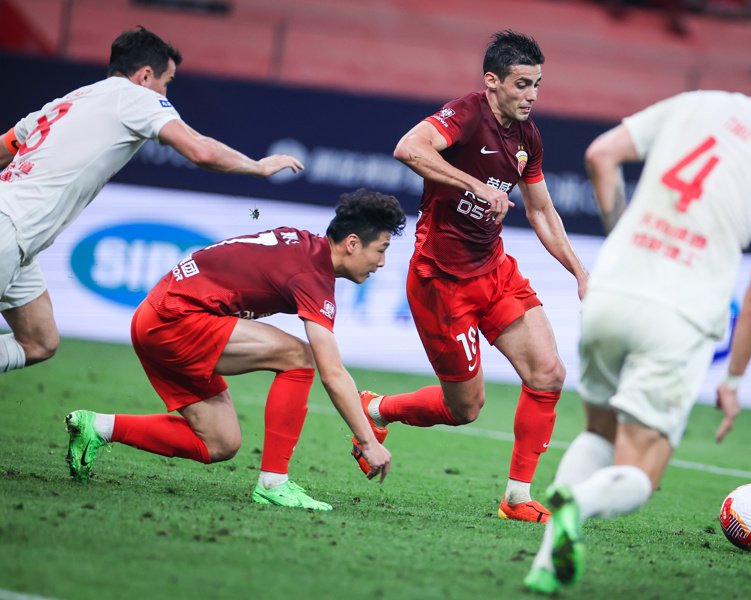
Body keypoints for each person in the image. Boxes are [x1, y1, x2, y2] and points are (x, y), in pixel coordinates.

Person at [524, 28, 751, 592]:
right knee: (640, 470)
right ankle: (580, 505)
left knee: (598, 433)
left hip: (611, 290)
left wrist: (620, 238)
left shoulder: (697, 103)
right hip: (679, 313)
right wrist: (733, 379)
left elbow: (600, 155)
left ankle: (546, 563)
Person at [348, 30, 589, 523]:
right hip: (441, 281)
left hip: (494, 270)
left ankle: (516, 499)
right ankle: (375, 408)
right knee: (465, 409)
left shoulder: (528, 137)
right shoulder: (466, 113)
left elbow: (541, 211)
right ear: (492, 81)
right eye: (522, 84)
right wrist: (476, 185)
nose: (531, 96)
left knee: (549, 373)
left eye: (537, 85)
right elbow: (408, 148)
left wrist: (581, 273)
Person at [64, 189, 406, 509]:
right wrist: (367, 441)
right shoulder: (311, 274)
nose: (382, 262)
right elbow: (332, 373)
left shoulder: (301, 243)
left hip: (156, 316)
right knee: (299, 356)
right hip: (175, 320)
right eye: (381, 249)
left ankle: (99, 427)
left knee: (220, 442)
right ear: (352, 243)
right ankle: (273, 483)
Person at [0, 26, 302, 376]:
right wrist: (258, 167)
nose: (166, 93)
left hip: (20, 239)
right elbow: (201, 150)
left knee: (38, 341)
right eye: (166, 82)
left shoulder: (69, 101)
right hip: (11, 228)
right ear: (145, 76)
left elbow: (5, 147)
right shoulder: (136, 97)